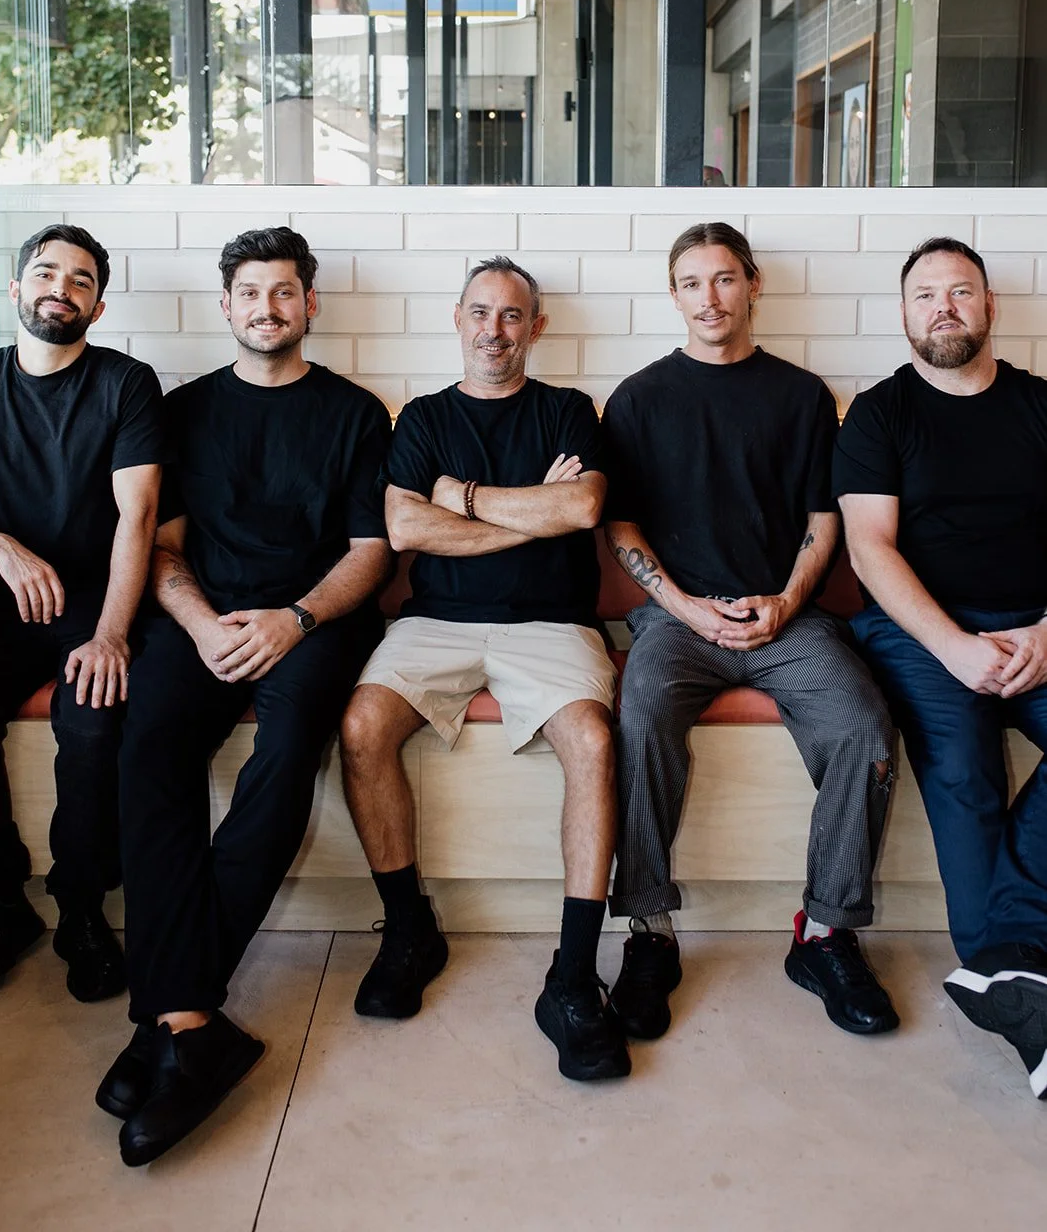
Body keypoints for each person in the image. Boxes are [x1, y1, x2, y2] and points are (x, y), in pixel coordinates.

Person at [98, 227, 392, 1165]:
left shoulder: (356, 413)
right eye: (250, 293)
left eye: (284, 293)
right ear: (225, 307)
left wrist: (293, 622)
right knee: (148, 753)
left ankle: (168, 1012)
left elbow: (369, 555)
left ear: (310, 305)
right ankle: (192, 1023)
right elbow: (165, 549)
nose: (267, 308)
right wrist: (199, 622)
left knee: (284, 755)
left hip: (316, 620)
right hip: (201, 620)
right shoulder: (182, 412)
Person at [602, 221, 898, 1042]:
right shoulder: (637, 398)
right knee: (639, 715)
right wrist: (685, 607)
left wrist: (784, 601)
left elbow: (820, 520)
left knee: (863, 726)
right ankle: (648, 933)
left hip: (785, 619)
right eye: (692, 283)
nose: (709, 298)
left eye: (724, 280)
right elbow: (620, 528)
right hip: (677, 620)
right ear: (673, 295)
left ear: (752, 285)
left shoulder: (802, 396)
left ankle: (826, 933)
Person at [339, 255, 629, 1083]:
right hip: (434, 622)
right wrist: (526, 513)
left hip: (554, 624)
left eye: (511, 316)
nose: (494, 331)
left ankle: (572, 978)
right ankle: (407, 932)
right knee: (360, 727)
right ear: (456, 318)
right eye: (480, 313)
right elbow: (403, 531)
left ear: (535, 327)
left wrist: (458, 499)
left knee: (594, 741)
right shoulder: (422, 417)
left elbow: (579, 508)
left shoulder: (570, 409)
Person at [836, 236, 1047, 1100]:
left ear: (990, 306)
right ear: (903, 315)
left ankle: (1007, 965)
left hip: (1037, 629)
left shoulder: (1039, 405)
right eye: (926, 295)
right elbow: (870, 550)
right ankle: (1016, 980)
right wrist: (954, 646)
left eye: (961, 292)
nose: (944, 308)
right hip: (919, 637)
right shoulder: (878, 416)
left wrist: (1046, 631)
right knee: (962, 775)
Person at [0, 224, 162, 1001]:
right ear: (15, 289)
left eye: (80, 280)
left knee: (91, 717)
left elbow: (140, 516)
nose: (62, 287)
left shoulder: (125, 383)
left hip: (92, 596)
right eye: (46, 273)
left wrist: (112, 635)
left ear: (98, 304)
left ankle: (82, 908)